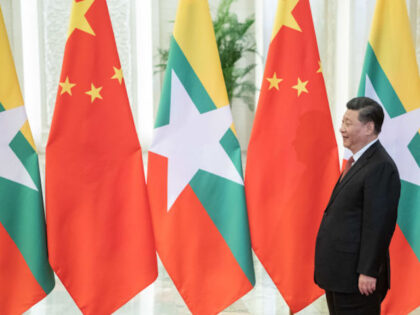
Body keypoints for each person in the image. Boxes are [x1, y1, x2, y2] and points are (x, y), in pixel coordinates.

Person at [314, 96, 401, 315]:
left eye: (348, 123)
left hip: (358, 279)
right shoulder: (358, 162)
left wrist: (368, 272)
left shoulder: (380, 166)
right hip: (340, 274)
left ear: (369, 127)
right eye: (343, 122)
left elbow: (378, 225)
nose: (342, 129)